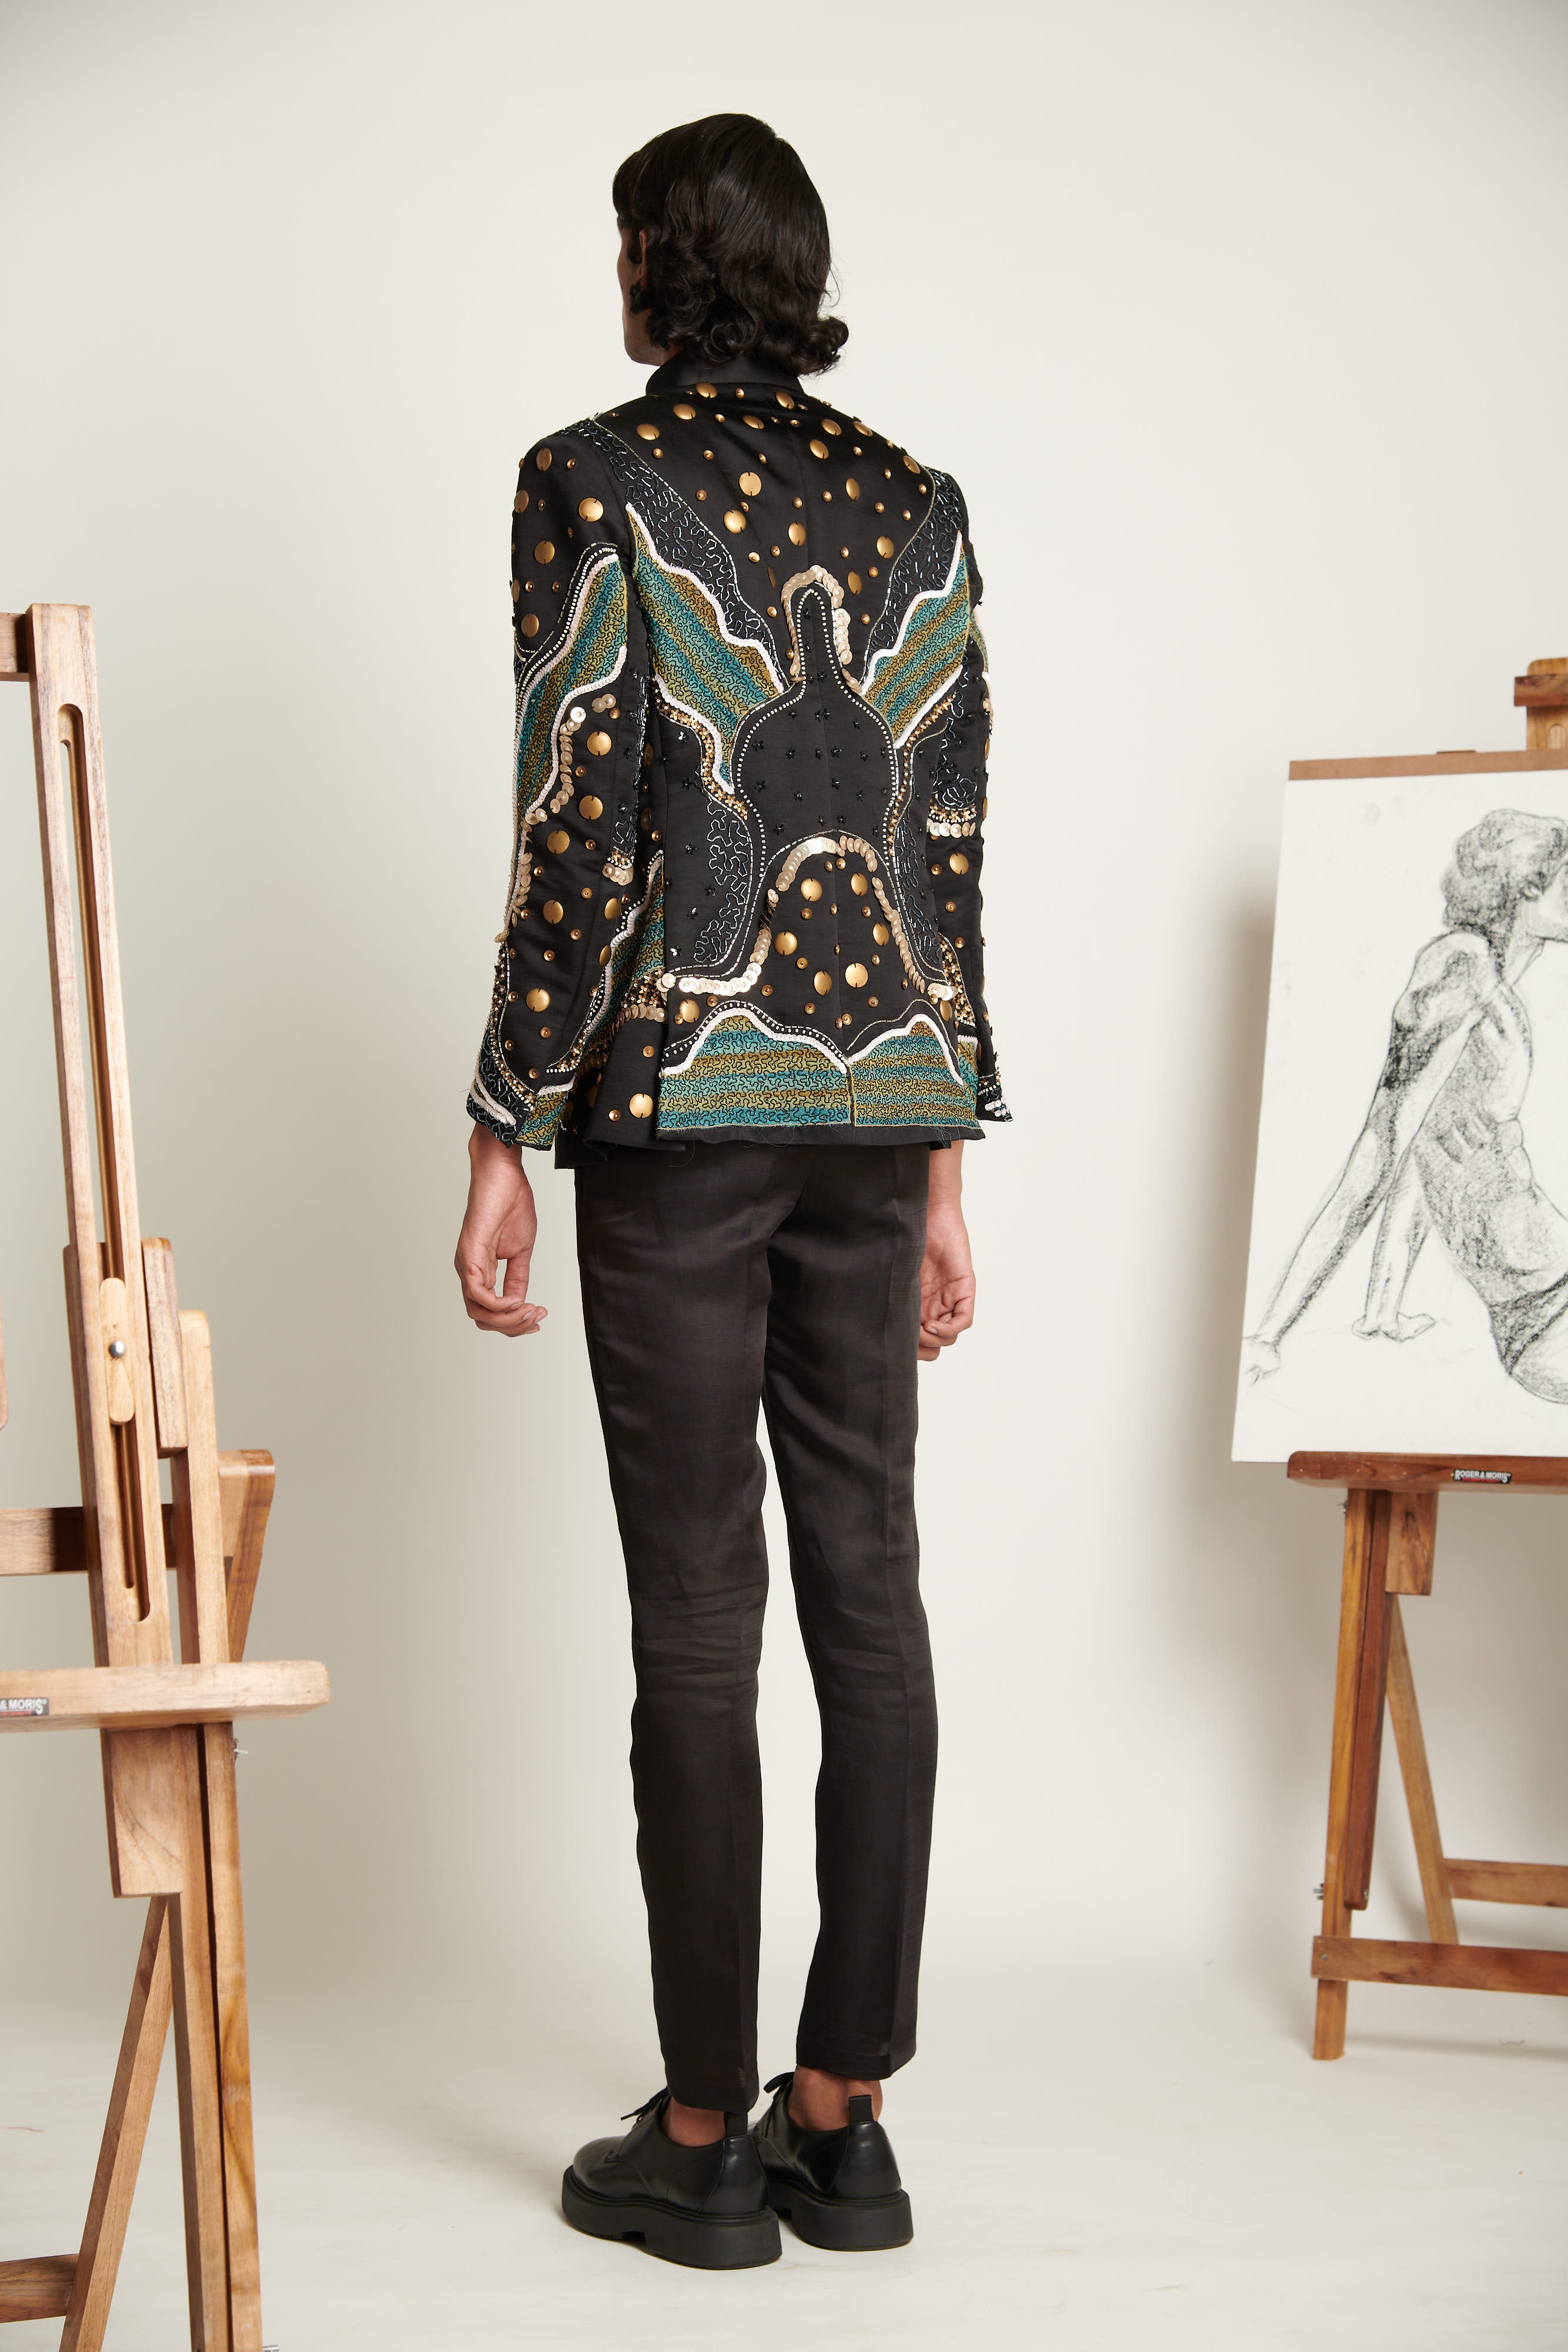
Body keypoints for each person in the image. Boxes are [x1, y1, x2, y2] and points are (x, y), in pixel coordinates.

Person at [455, 112, 1008, 2269]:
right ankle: (840, 2121)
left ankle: (697, 2139)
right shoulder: (918, 502)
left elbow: (578, 817)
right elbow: (943, 845)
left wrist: (505, 1115)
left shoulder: (590, 478)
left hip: (680, 1102)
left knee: (698, 1605)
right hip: (880, 1096)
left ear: (654, 265)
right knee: (869, 1581)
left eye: (622, 244)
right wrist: (941, 1158)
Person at [1245, 807, 1568, 1402]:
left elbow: (1429, 1153)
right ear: (1528, 885)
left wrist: (1382, 1308)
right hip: (1545, 1314)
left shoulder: (1504, 977)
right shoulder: (1462, 965)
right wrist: (1268, 1335)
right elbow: (1380, 1149)